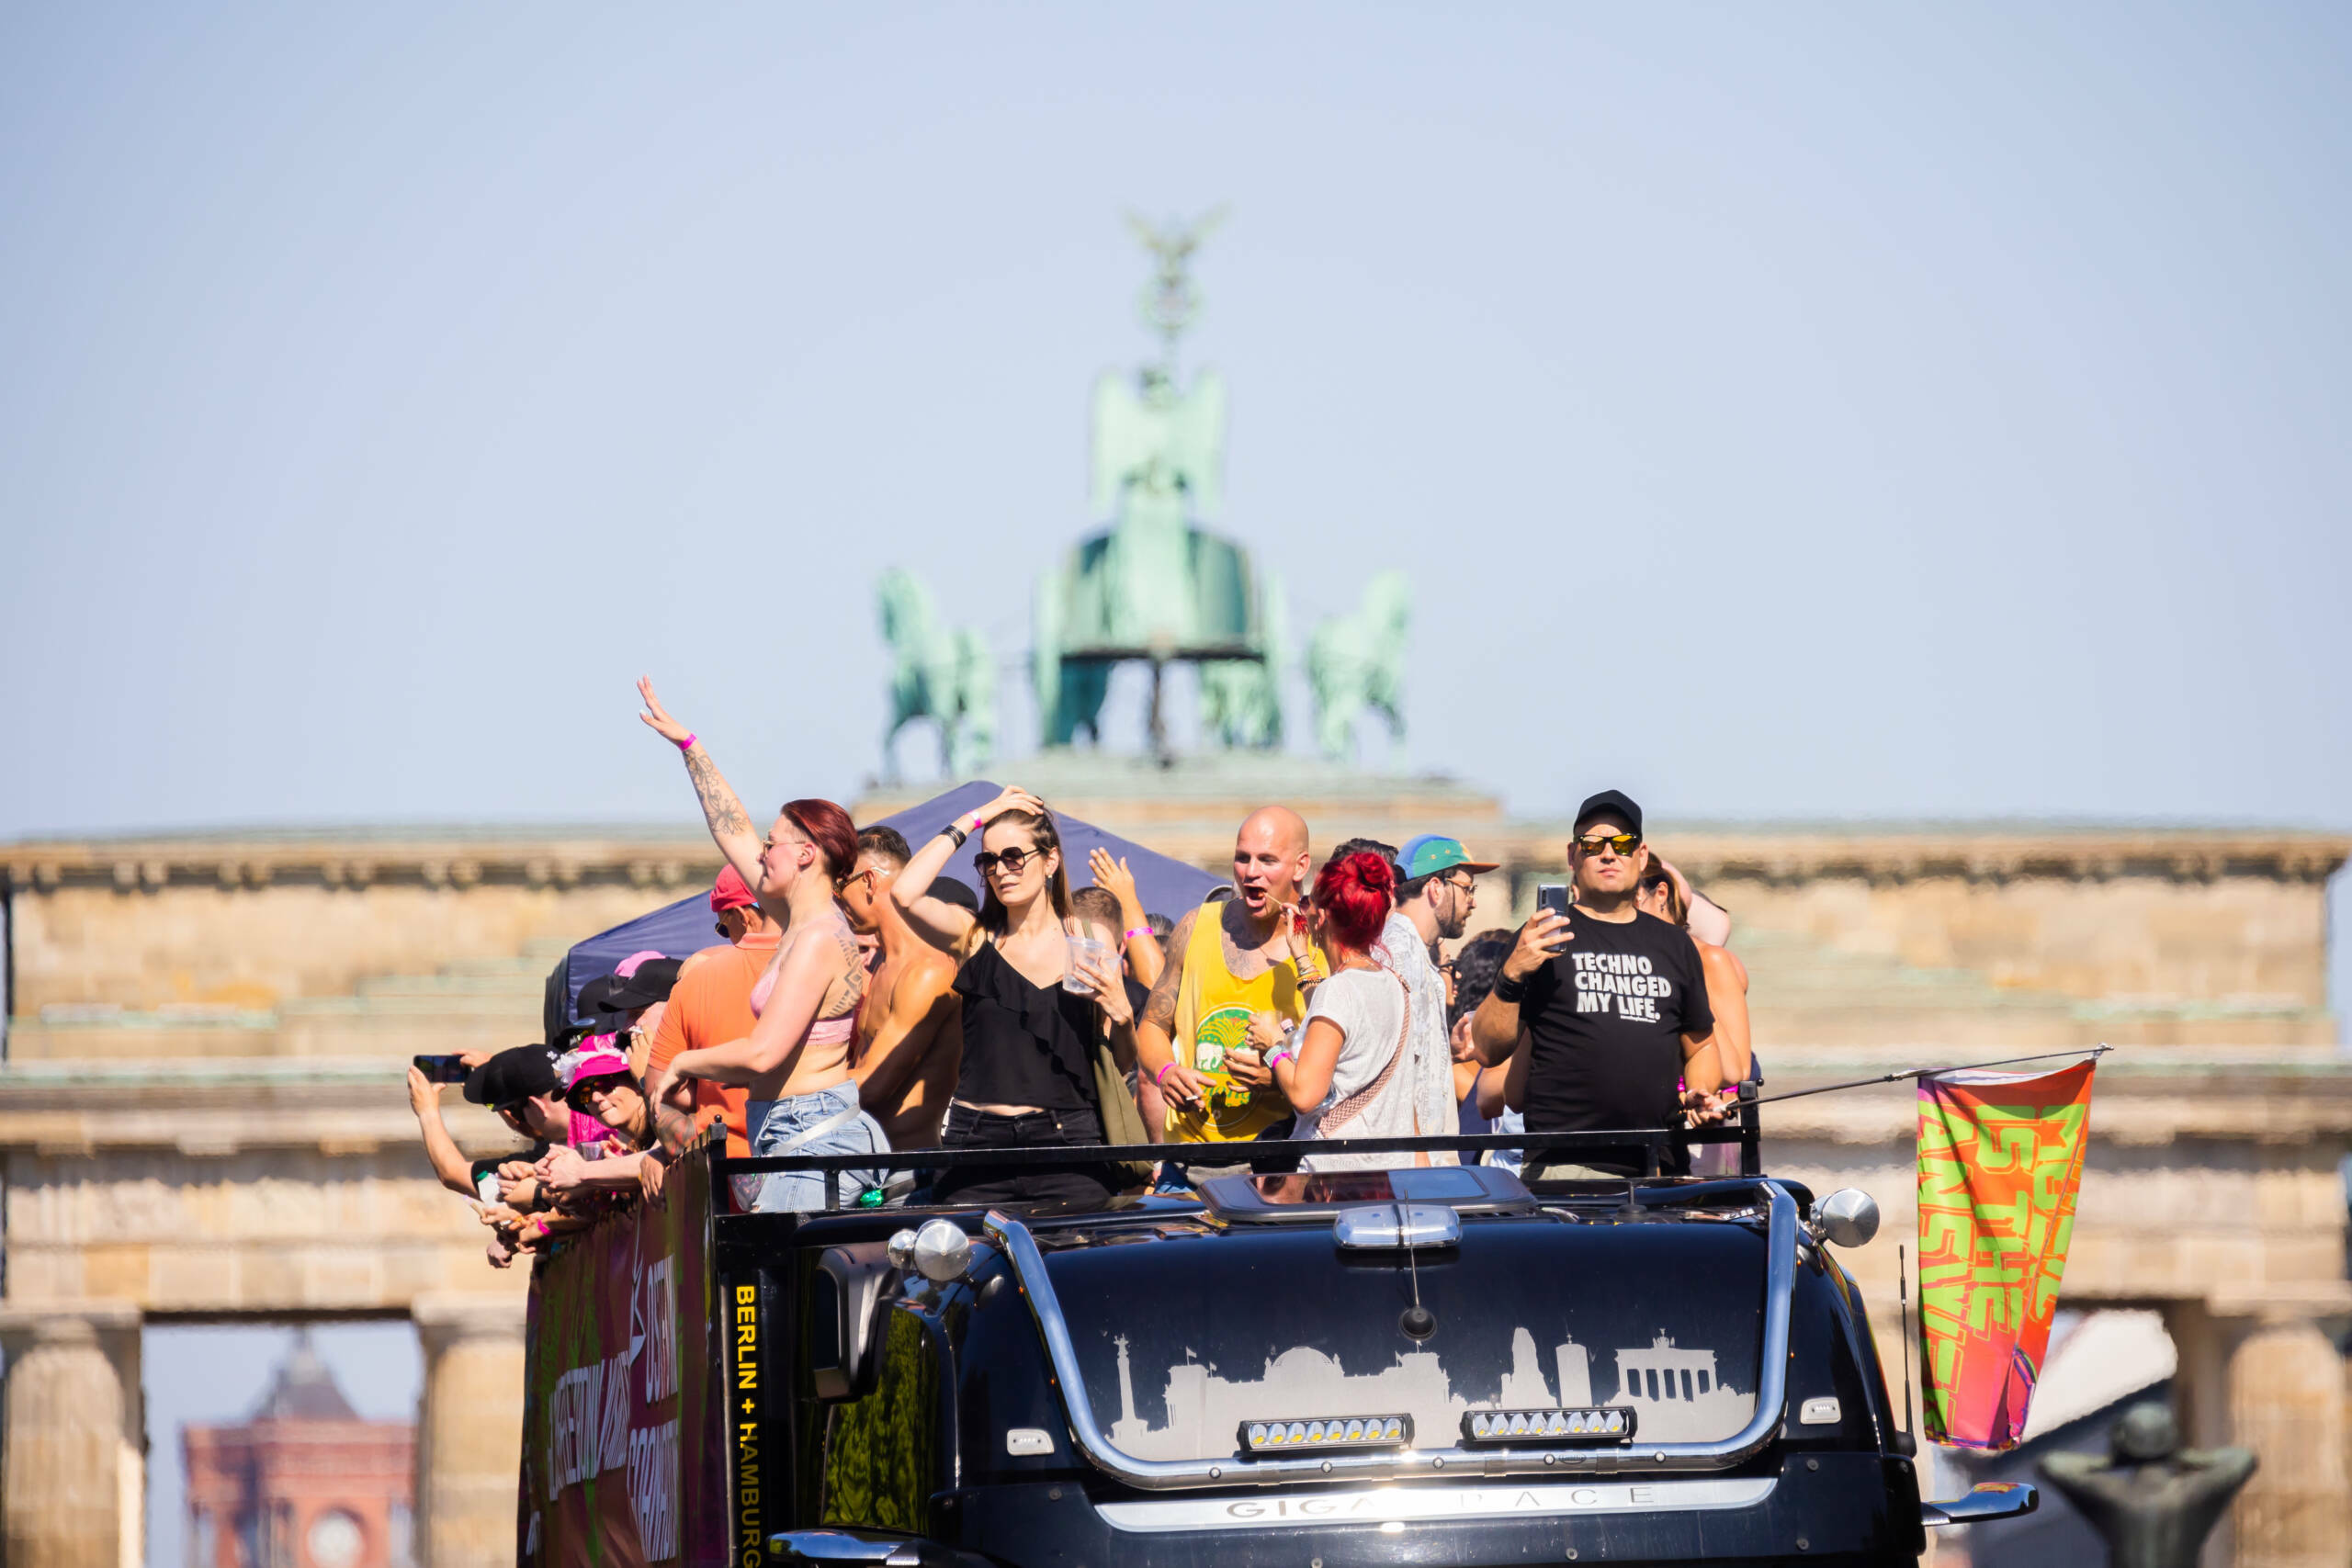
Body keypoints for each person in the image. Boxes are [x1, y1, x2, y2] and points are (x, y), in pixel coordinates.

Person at [633, 678, 887, 1213]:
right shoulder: (797, 918)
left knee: (791, 1294)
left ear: (806, 854)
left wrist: (684, 1063)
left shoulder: (819, 938)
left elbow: (763, 1051)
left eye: (774, 844)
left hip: (814, 1138)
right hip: (791, 1133)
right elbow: (733, 829)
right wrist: (689, 747)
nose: (763, 851)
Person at [890, 786, 1134, 1206]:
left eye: (1014, 857)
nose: (1001, 870)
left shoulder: (1090, 940)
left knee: (1071, 1270)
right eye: (989, 861)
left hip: (1069, 1146)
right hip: (976, 1145)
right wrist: (978, 816)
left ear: (1050, 860)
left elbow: (1122, 1061)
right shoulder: (974, 936)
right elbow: (903, 893)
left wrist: (1125, 1017)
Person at [1471, 788, 1727, 1180]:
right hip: (1567, 1168)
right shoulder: (1541, 936)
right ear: (1573, 856)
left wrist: (1699, 1091)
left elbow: (1702, 1046)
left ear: (1641, 857)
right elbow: (1489, 1051)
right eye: (1593, 844)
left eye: (1622, 843)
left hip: (1661, 1170)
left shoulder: (1676, 946)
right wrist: (1511, 975)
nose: (1609, 853)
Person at [1136, 807, 1326, 1167]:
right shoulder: (1197, 926)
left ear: (1300, 867)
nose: (1251, 872)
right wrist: (1166, 1072)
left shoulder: (1319, 946)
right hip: (1188, 1162)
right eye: (1242, 858)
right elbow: (1152, 1026)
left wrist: (1275, 1076)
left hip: (1274, 1165)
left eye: (1267, 860)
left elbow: (1339, 1071)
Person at [1270, 852, 1439, 1172]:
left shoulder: (1339, 990)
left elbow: (1304, 1094)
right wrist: (1302, 957)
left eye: (1310, 905)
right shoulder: (1394, 983)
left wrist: (1273, 1048)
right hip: (1393, 1175)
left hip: (1337, 1180)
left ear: (1321, 918)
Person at [645, 870, 786, 1160]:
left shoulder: (697, 978)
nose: (727, 939)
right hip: (823, 1161)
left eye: (724, 926)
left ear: (742, 915)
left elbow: (661, 1094)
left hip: (729, 1172)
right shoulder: (839, 961)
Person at [837, 825, 963, 1149]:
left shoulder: (927, 971)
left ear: (869, 880)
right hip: (871, 1161)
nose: (836, 899)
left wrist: (788, 1086)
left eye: (840, 885)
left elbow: (872, 1086)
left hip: (908, 1172)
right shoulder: (883, 967)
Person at [1385, 834, 1499, 1167]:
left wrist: (1443, 1050)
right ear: (1436, 888)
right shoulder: (1402, 958)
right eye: (1467, 889)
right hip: (1412, 1172)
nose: (1473, 902)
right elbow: (1394, 1080)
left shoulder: (1414, 956)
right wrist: (1422, 1164)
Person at [1635, 859, 1752, 1087]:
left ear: (1660, 895)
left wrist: (1683, 982)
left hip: (1697, 1108)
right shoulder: (1626, 961)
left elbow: (1737, 1073)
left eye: (1629, 900)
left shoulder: (1712, 960)